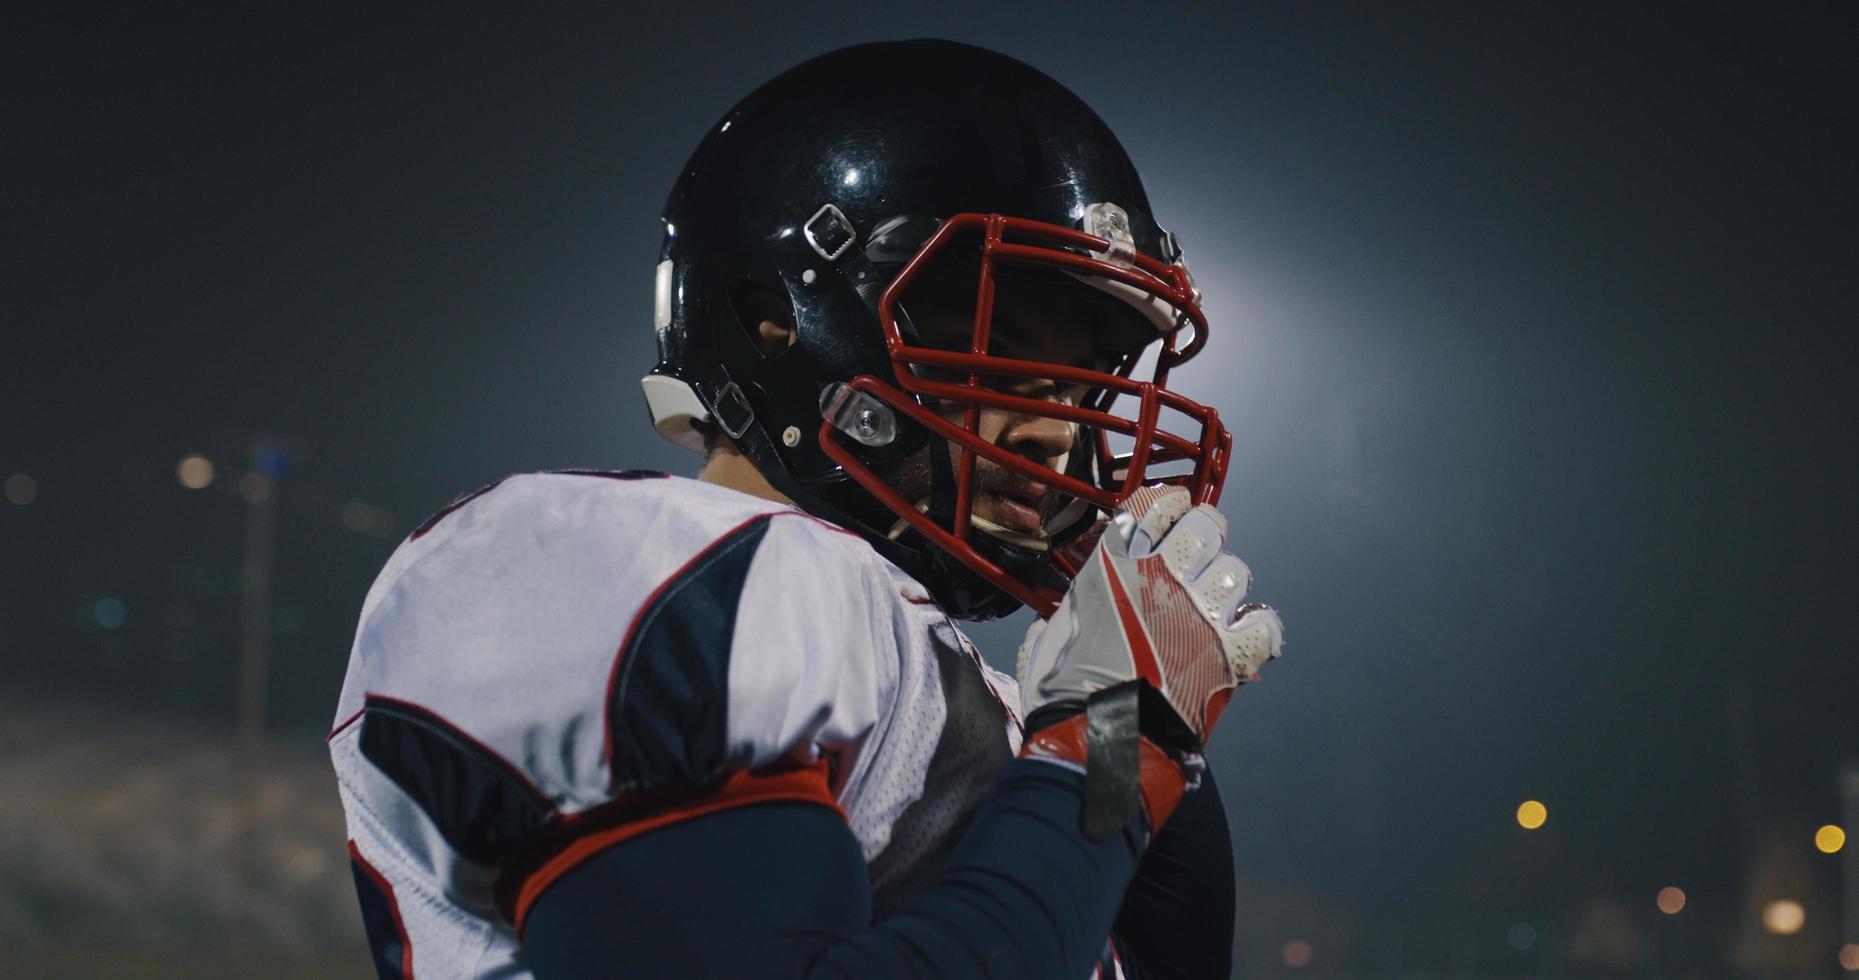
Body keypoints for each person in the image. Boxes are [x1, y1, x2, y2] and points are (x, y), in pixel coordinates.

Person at [330, 39, 1284, 979]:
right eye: (998, 345)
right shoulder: (625, 570)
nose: (1052, 430)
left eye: (1080, 385)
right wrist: (1088, 747)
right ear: (773, 319)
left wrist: (1124, 728)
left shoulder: (983, 697)